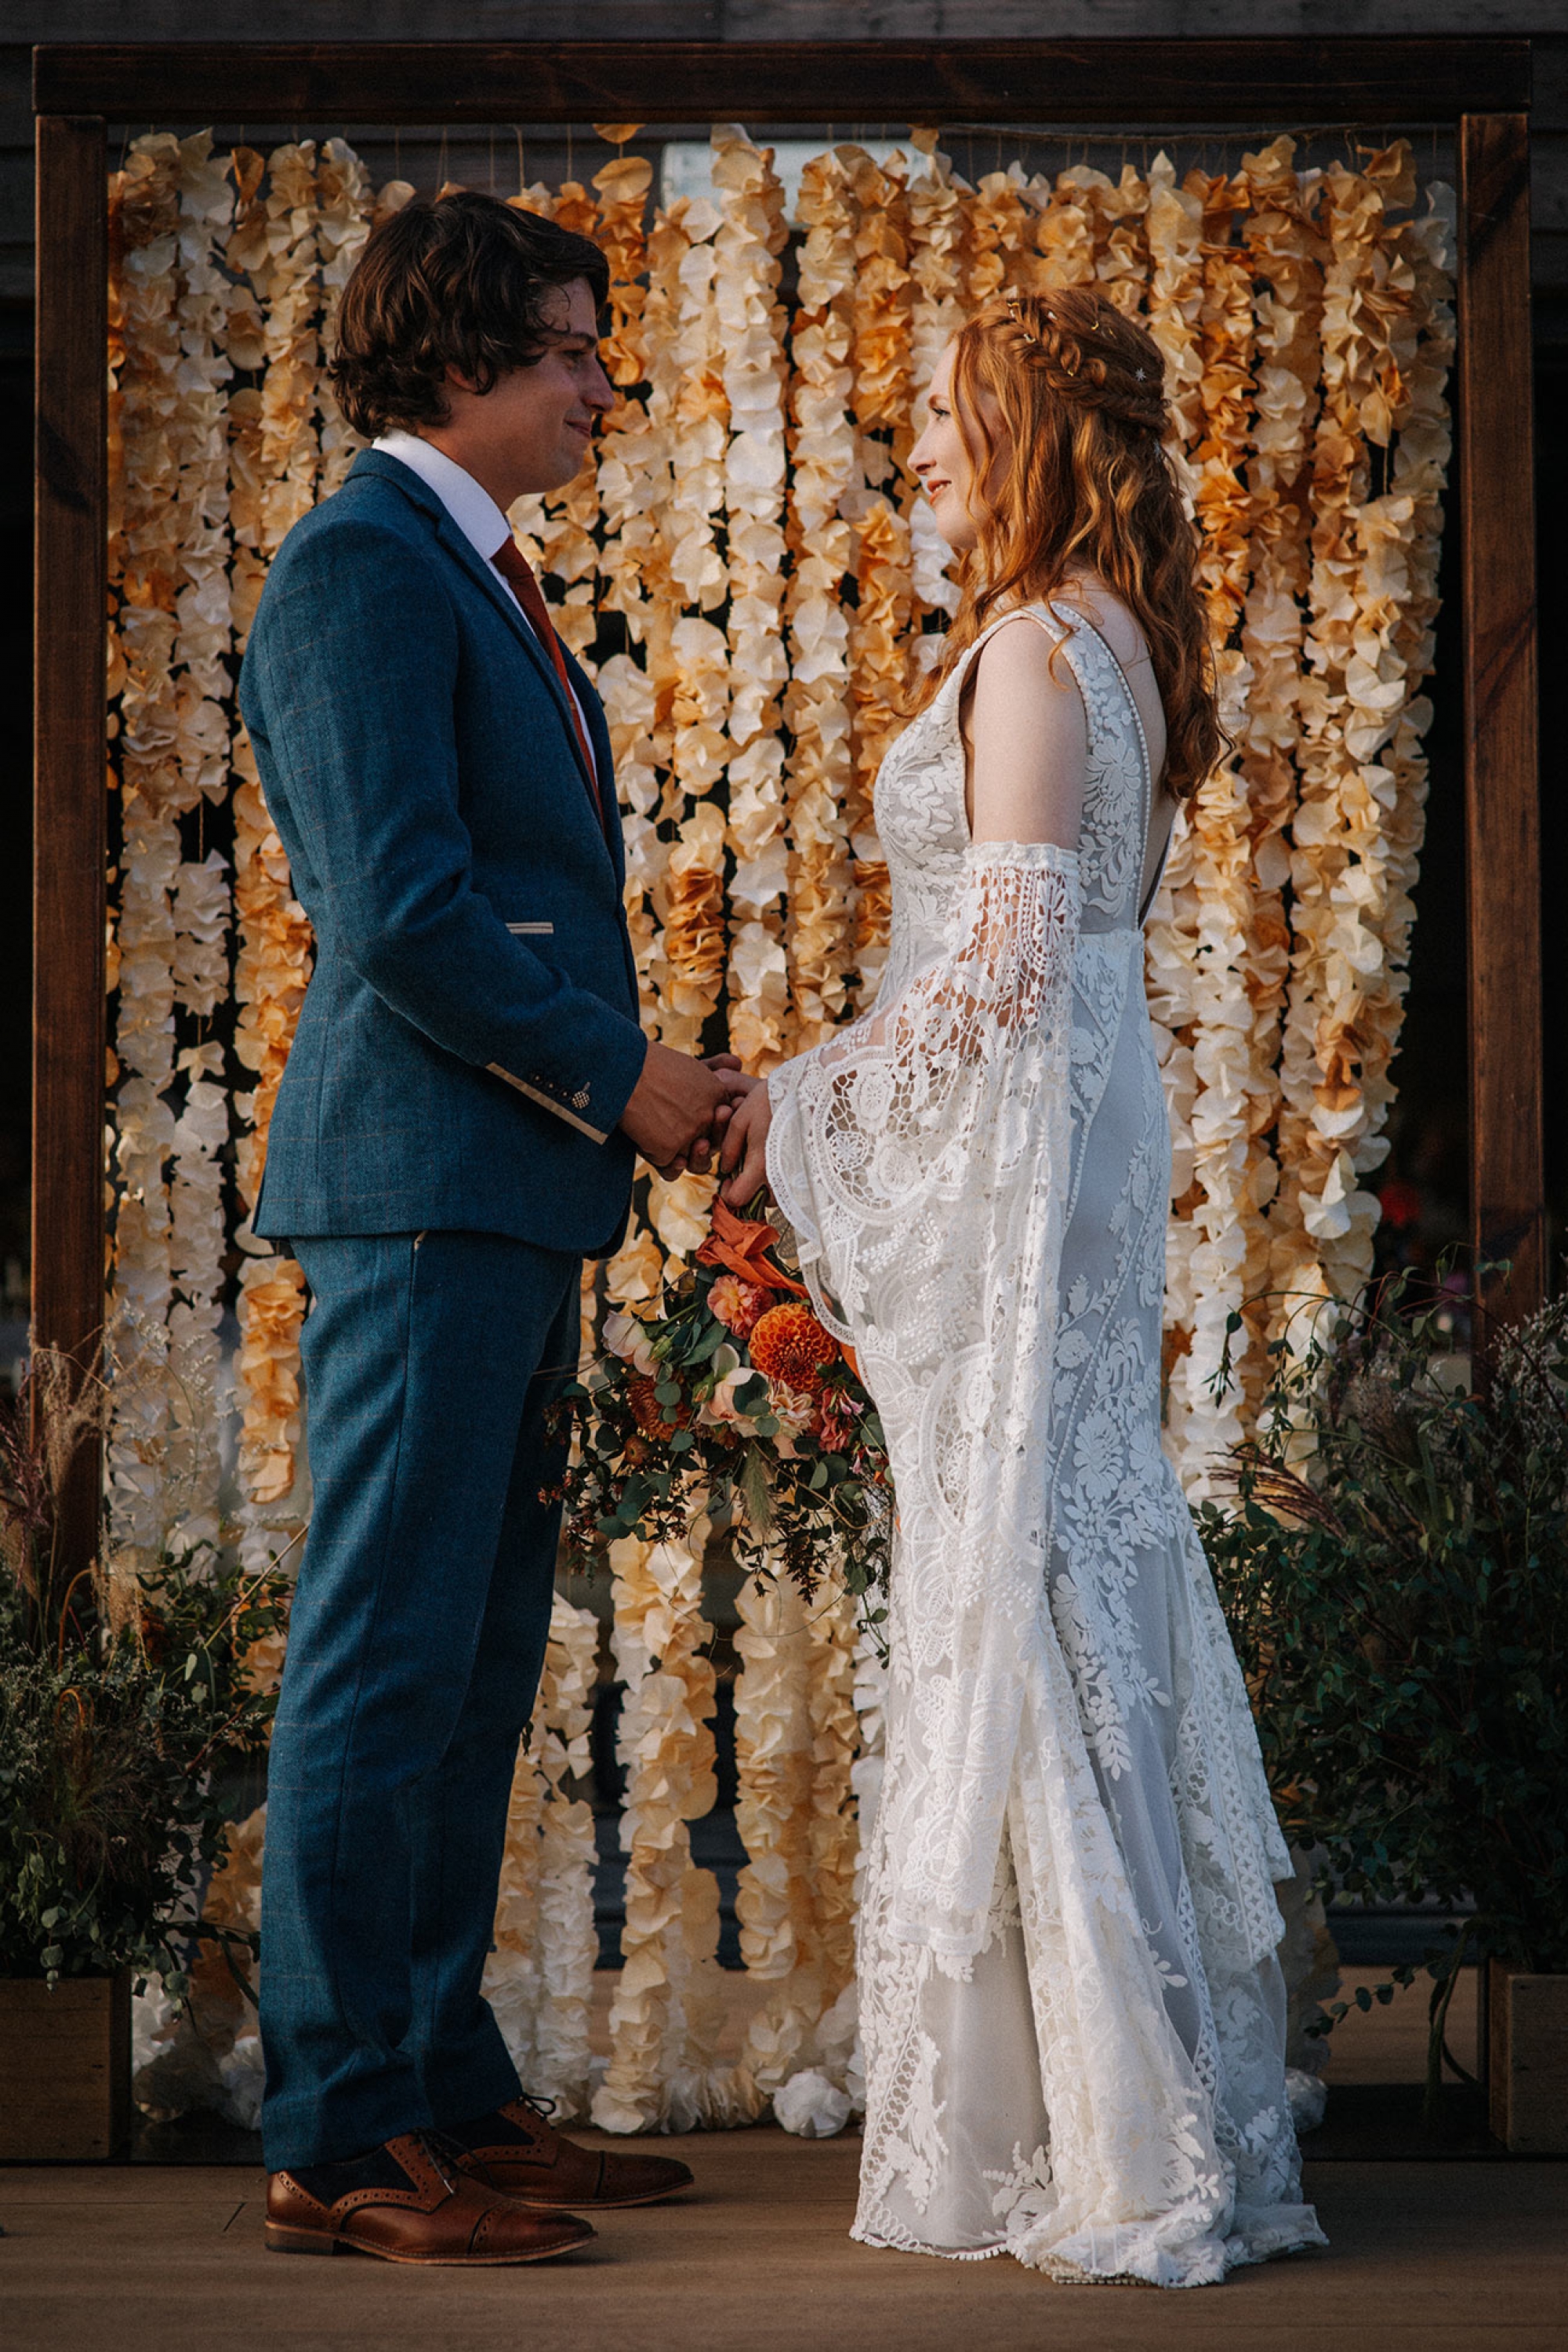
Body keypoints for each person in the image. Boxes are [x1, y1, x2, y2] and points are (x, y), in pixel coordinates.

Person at [721, 288, 1327, 2288]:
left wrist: (791, 1110)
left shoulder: (1038, 651)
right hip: (1061, 1176)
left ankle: (1107, 2118)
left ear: (1033, 445)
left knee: (1028, 1580)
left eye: (944, 424)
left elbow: (989, 980)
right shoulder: (1106, 642)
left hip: (1026, 1188)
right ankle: (1097, 2083)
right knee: (1056, 1568)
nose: (914, 457)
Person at [241, 191, 749, 2265]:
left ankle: (443, 2082)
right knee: (382, 1658)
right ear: (453, 357)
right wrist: (623, 1080)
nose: (595, 381)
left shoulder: (473, 574)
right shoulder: (362, 571)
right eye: (564, 344)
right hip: (426, 1195)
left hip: (501, 1196)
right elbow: (405, 919)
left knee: (462, 1662)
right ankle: (344, 2139)